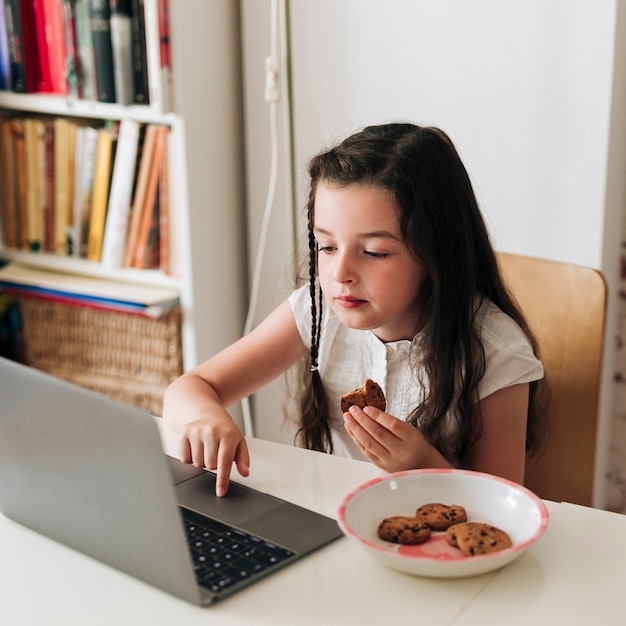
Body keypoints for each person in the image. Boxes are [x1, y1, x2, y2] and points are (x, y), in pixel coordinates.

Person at [163, 122, 545, 496]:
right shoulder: (319, 310)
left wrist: (424, 467)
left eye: (374, 252)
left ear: (435, 255)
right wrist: (205, 418)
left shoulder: (497, 354)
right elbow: (190, 388)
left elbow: (501, 511)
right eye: (327, 247)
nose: (340, 273)